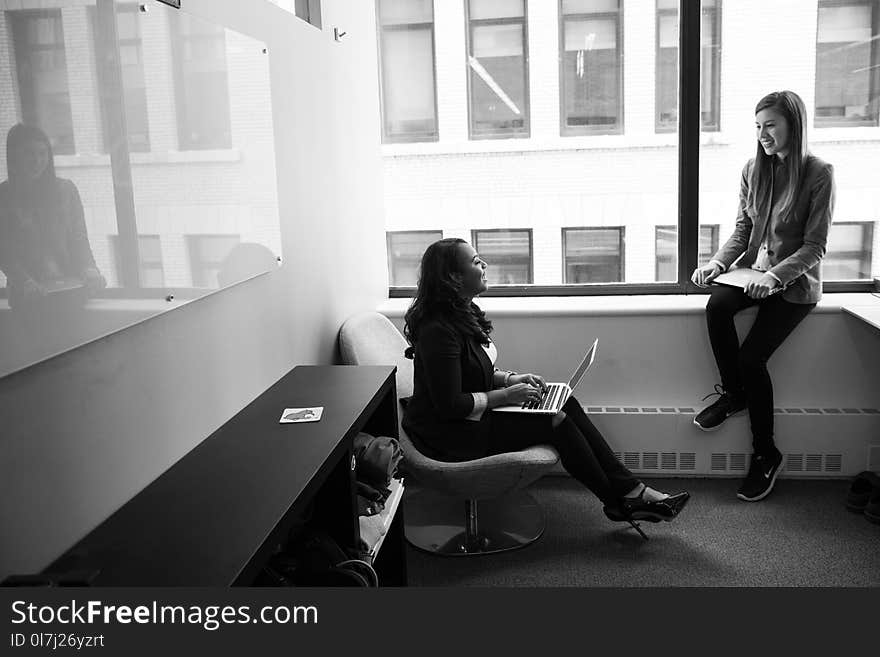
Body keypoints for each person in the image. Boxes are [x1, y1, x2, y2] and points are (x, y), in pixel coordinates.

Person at [401, 237, 690, 537]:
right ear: (453, 277)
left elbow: (476, 371)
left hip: (472, 417)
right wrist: (506, 396)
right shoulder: (438, 330)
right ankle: (622, 500)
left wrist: (512, 379)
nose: (484, 265)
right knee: (556, 422)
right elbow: (450, 405)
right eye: (475, 261)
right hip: (450, 433)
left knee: (565, 402)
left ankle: (630, 492)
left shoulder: (464, 312)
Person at [691, 90, 835, 502]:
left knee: (753, 358)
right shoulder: (753, 169)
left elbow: (815, 246)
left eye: (770, 125)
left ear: (794, 124)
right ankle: (733, 394)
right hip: (751, 274)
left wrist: (774, 277)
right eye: (758, 126)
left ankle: (766, 454)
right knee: (717, 305)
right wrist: (717, 264)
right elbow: (742, 230)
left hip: (794, 286)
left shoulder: (819, 172)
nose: (763, 134)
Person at [0, 123, 106, 309]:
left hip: (71, 290)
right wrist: (24, 281)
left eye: (43, 154)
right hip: (29, 298)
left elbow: (78, 239)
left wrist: (90, 270)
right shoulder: (4, 196)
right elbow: (4, 251)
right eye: (29, 154)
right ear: (15, 157)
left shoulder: (66, 190)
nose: (37, 161)